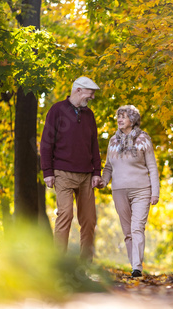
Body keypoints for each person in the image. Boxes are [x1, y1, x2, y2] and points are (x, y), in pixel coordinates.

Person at [40, 76, 103, 262]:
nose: (91, 97)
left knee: (90, 220)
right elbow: (46, 143)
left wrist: (97, 172)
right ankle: (60, 264)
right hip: (62, 172)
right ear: (78, 90)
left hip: (86, 175)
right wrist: (48, 172)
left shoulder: (89, 115)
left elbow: (94, 145)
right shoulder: (57, 111)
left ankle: (85, 265)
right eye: (89, 94)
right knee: (65, 214)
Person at [100, 105, 160, 278]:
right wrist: (103, 181)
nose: (119, 120)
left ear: (132, 120)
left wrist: (155, 192)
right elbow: (108, 167)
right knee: (127, 232)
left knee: (137, 228)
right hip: (119, 191)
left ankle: (137, 268)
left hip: (142, 190)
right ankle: (133, 264)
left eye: (123, 117)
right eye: (118, 117)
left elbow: (152, 167)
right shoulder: (112, 141)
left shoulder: (144, 139)